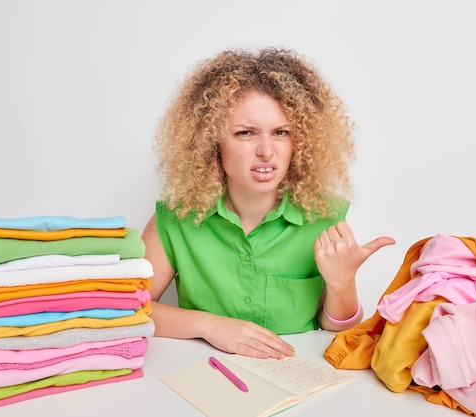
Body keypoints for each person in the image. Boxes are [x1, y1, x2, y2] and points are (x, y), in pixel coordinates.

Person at [141, 47, 394, 359]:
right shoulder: (175, 219)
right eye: (245, 133)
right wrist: (210, 326)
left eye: (281, 132)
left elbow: (335, 328)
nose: (266, 151)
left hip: (298, 379)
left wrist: (343, 282)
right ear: (211, 141)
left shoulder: (324, 216)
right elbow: (128, 310)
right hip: (204, 375)